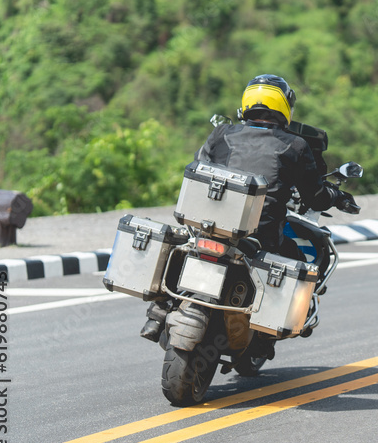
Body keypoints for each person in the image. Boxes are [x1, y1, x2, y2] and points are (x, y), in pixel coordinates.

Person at [140, 73, 349, 341]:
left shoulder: (221, 134)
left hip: (208, 227)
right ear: (284, 106)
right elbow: (315, 196)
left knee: (181, 248)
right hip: (261, 235)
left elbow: (198, 169)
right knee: (297, 258)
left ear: (247, 102)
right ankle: (274, 326)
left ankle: (158, 311)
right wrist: (334, 196)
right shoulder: (295, 145)